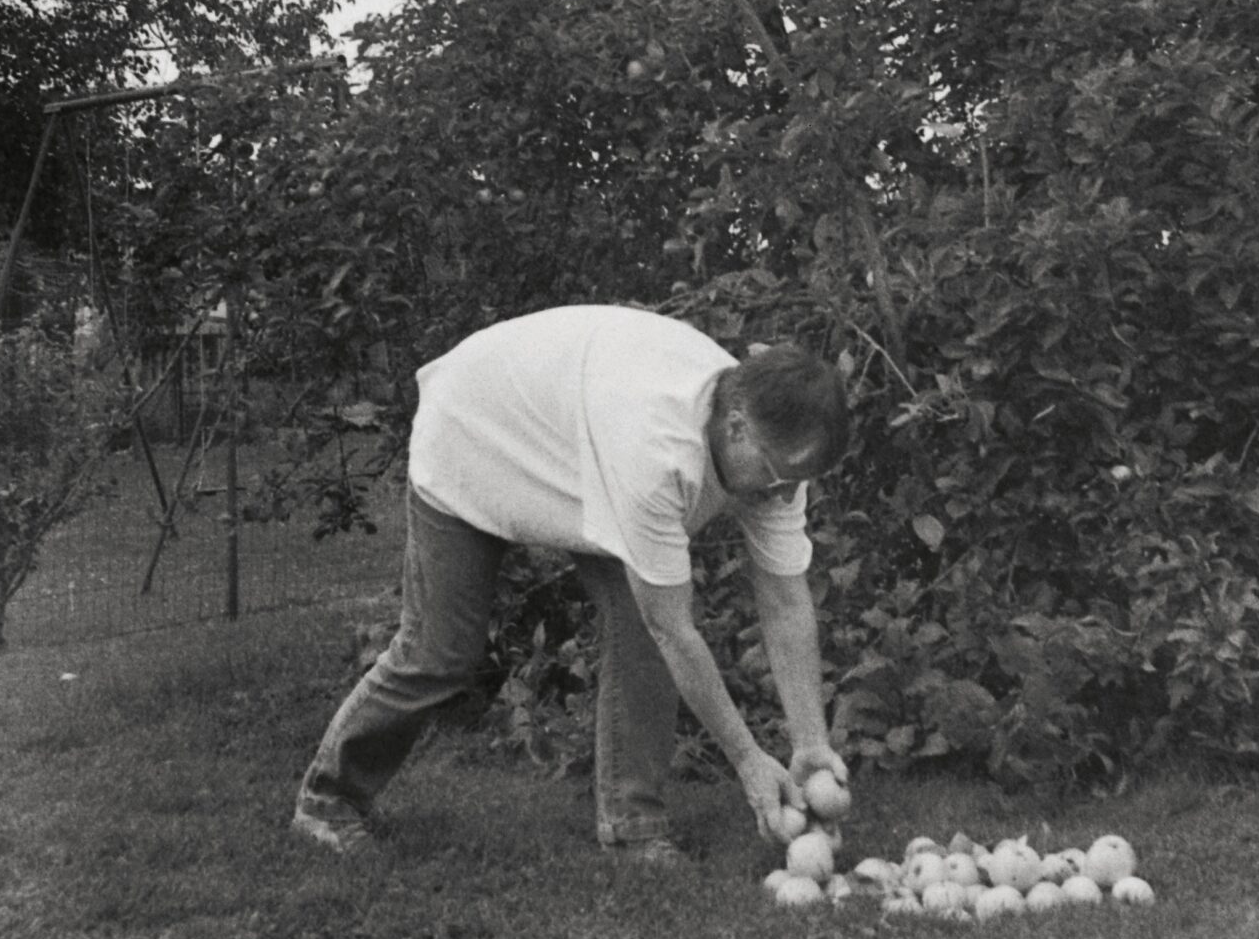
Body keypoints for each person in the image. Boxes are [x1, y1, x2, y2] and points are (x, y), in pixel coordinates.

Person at [292, 304, 852, 862]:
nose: (784, 496)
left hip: (578, 446)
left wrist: (810, 742)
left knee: (640, 622)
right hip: (473, 428)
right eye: (780, 478)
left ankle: (634, 825)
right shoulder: (656, 448)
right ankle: (329, 800)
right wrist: (750, 760)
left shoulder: (777, 450)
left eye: (799, 482)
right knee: (442, 651)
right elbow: (675, 631)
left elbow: (785, 603)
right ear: (736, 427)